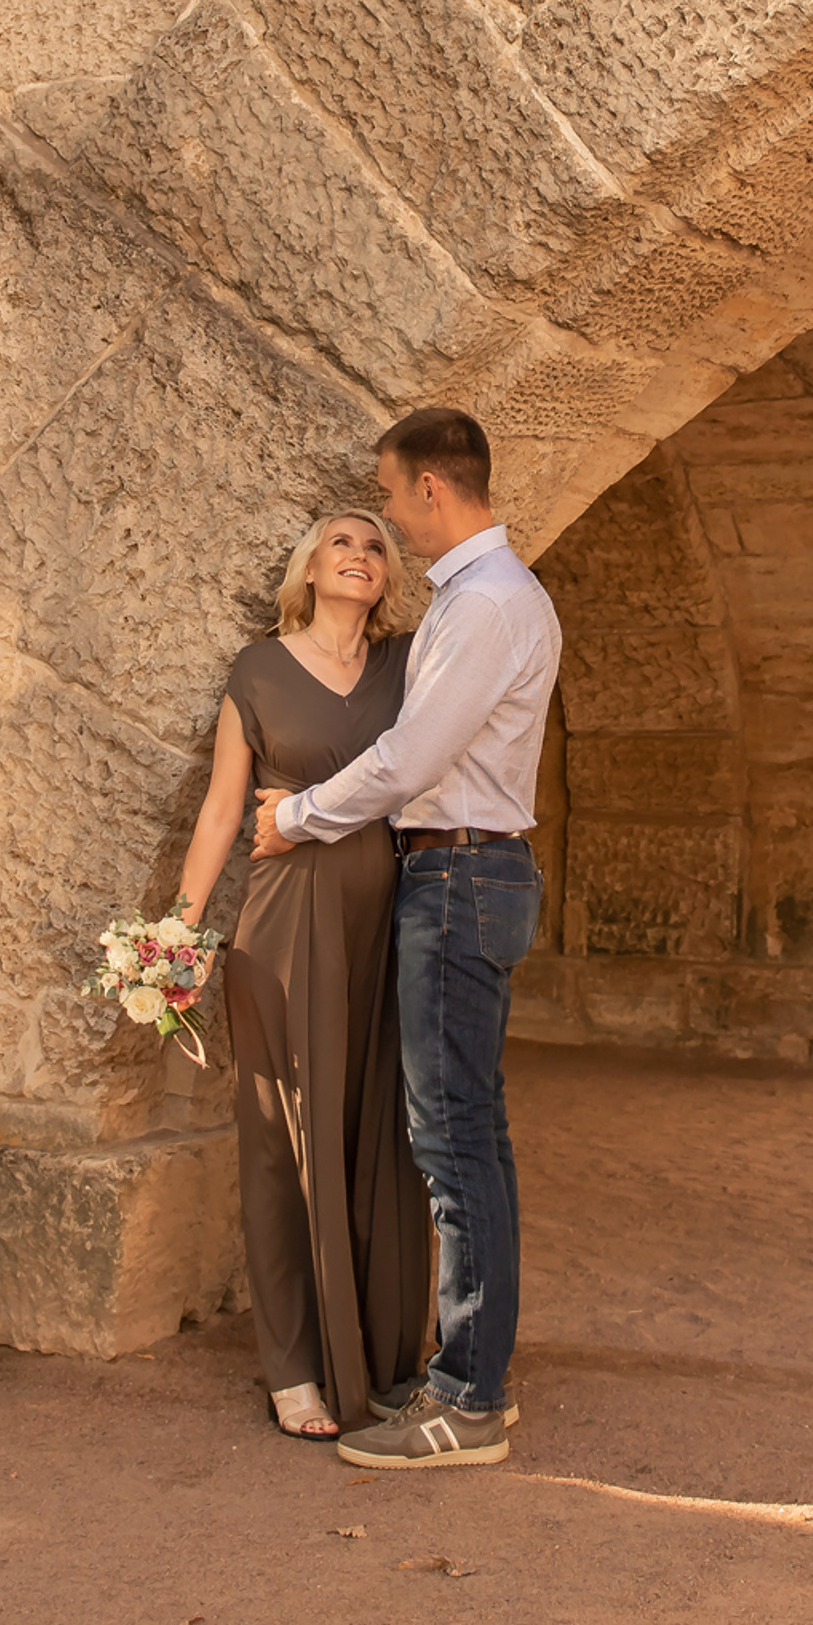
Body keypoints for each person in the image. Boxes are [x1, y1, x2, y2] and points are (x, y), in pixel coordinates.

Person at [254, 408, 561, 1473]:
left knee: (452, 1145)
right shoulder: (488, 597)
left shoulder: (483, 604)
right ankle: (474, 1376)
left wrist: (292, 816)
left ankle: (466, 1398)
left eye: (387, 495)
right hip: (473, 870)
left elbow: (409, 754)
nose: (383, 513)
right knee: (476, 1136)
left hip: (459, 871)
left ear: (432, 489)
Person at [177, 512, 429, 1441]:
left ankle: (386, 1356)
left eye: (375, 548)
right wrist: (178, 930)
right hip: (282, 929)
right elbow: (219, 810)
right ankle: (293, 1368)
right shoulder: (259, 669)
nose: (360, 557)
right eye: (342, 546)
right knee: (282, 1140)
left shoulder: (408, 667)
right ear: (310, 570)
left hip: (391, 925)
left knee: (383, 1138)